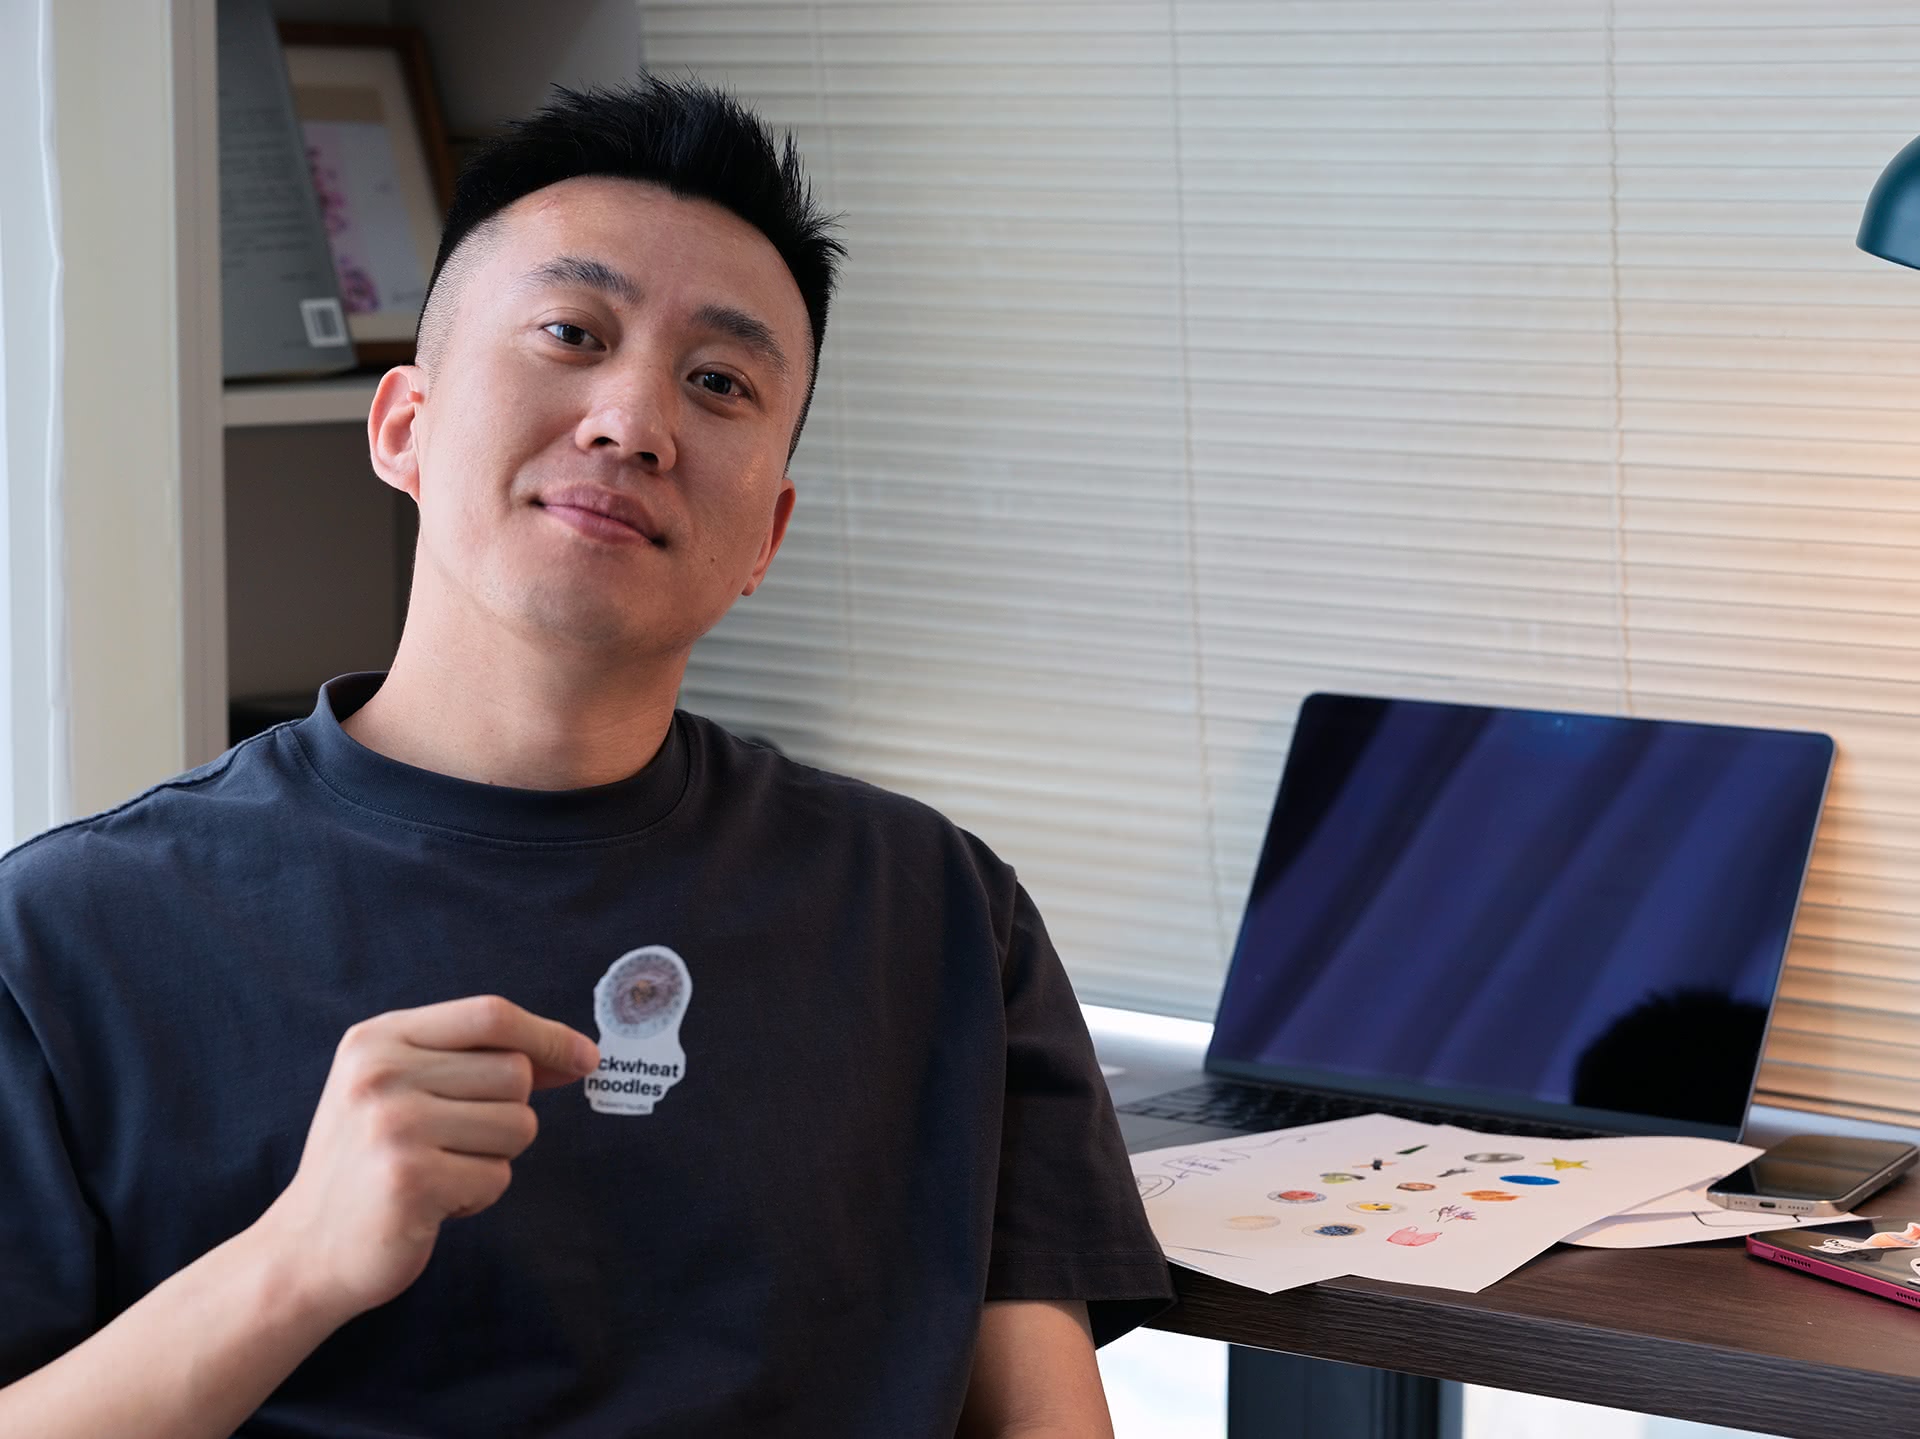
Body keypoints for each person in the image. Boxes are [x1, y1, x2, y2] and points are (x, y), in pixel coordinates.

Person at [0, 76, 1172, 1437]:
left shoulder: (939, 912)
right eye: (571, 331)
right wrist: (297, 1262)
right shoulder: (69, 941)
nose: (634, 422)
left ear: (767, 540)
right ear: (404, 427)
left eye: (718, 380)